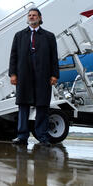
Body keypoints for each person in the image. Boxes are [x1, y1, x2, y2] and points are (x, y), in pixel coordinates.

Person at [9, 8, 59, 147]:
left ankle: (42, 136)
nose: (31, 17)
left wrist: (55, 74)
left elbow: (54, 57)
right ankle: (22, 136)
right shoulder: (19, 36)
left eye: (34, 15)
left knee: (42, 106)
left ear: (40, 17)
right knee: (23, 106)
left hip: (43, 76)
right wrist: (13, 74)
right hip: (24, 76)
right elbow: (13, 56)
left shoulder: (49, 36)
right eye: (29, 15)